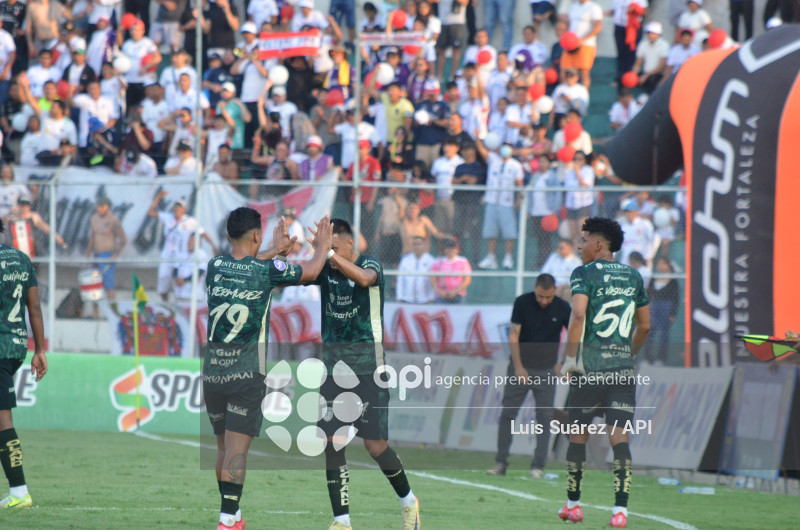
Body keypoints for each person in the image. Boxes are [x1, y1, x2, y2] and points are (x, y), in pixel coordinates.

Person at [204, 210, 332, 530]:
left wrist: (274, 249)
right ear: (256, 237)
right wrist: (323, 247)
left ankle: (232, 517)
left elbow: (247, 263)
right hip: (246, 373)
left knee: (222, 449)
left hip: (212, 373)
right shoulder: (266, 271)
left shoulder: (215, 266)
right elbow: (313, 271)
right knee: (237, 450)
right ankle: (225, 521)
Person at [304, 219, 421, 530]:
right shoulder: (326, 268)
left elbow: (366, 280)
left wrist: (329, 255)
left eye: (336, 248)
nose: (332, 255)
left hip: (370, 369)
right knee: (331, 441)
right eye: (329, 249)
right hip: (333, 370)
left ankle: (408, 501)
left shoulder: (371, 264)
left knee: (376, 447)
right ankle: (342, 521)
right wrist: (300, 253)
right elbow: (304, 275)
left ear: (350, 245)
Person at [558, 217, 650, 528]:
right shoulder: (634, 276)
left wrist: (571, 358)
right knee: (619, 438)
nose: (579, 246)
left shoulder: (583, 273)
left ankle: (573, 506)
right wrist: (627, 354)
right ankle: (620, 512)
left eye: (583, 241)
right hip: (622, 369)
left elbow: (579, 313)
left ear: (599, 244)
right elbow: (645, 325)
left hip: (590, 368)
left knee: (578, 434)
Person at [486, 273, 570, 478]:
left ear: (555, 291)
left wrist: (564, 363)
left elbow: (574, 335)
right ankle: (500, 463)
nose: (544, 301)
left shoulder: (562, 307)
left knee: (545, 418)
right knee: (508, 414)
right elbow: (513, 334)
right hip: (520, 368)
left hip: (546, 370)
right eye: (541, 296)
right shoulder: (522, 302)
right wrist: (518, 367)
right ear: (535, 288)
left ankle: (538, 466)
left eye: (548, 297)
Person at [0, 218, 47, 509]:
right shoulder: (20, 258)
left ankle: (19, 492)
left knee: (3, 419)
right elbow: (35, 307)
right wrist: (40, 349)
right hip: (16, 346)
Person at [147, 190, 218, 301]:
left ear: (184, 209)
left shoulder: (190, 221)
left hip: (181, 255)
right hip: (167, 255)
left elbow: (202, 233)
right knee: (163, 281)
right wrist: (158, 197)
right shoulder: (168, 217)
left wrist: (213, 245)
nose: (177, 209)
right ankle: (165, 304)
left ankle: (179, 301)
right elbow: (151, 212)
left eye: (179, 207)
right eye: (175, 207)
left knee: (180, 281)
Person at [475, 140, 524, 270]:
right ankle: (491, 257)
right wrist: (477, 138)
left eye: (508, 147)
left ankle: (508, 258)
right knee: (490, 230)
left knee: (509, 232)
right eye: (504, 147)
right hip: (491, 201)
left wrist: (518, 199)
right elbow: (482, 151)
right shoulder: (493, 160)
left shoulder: (516, 166)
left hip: (506, 203)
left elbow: (519, 184)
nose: (505, 150)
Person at [85, 197, 126, 303]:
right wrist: (88, 252)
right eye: (98, 206)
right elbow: (92, 236)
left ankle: (112, 307)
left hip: (107, 254)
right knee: (94, 285)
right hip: (96, 254)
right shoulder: (94, 218)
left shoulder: (114, 221)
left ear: (107, 207)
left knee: (108, 284)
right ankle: (96, 315)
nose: (99, 209)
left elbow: (123, 240)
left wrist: (116, 254)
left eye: (102, 207)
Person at [645, 256, 678, 365]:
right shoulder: (654, 278)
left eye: (662, 263)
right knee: (650, 334)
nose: (659, 266)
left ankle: (661, 359)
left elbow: (675, 298)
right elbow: (649, 293)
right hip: (654, 307)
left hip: (666, 307)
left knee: (663, 334)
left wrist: (672, 313)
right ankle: (648, 359)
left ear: (668, 266)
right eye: (658, 264)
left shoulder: (673, 281)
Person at [430, 237, 472, 303]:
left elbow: (467, 279)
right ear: (444, 250)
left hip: (458, 294)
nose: (450, 250)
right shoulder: (438, 262)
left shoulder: (463, 261)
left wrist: (456, 291)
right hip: (441, 295)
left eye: (452, 248)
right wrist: (440, 292)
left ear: (457, 250)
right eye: (448, 248)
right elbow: (433, 279)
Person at [396, 236, 436, 304]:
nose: (417, 246)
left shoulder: (431, 260)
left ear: (424, 245)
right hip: (407, 299)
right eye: (415, 244)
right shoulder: (405, 260)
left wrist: (431, 297)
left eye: (419, 244)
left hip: (424, 300)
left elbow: (433, 281)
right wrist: (399, 297)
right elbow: (400, 280)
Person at [632, 21, 668, 93]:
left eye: (653, 33)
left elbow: (661, 65)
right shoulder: (643, 44)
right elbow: (638, 63)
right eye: (649, 33)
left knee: (652, 81)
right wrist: (633, 75)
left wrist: (646, 76)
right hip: (645, 73)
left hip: (657, 74)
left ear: (658, 34)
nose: (650, 35)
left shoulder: (664, 45)